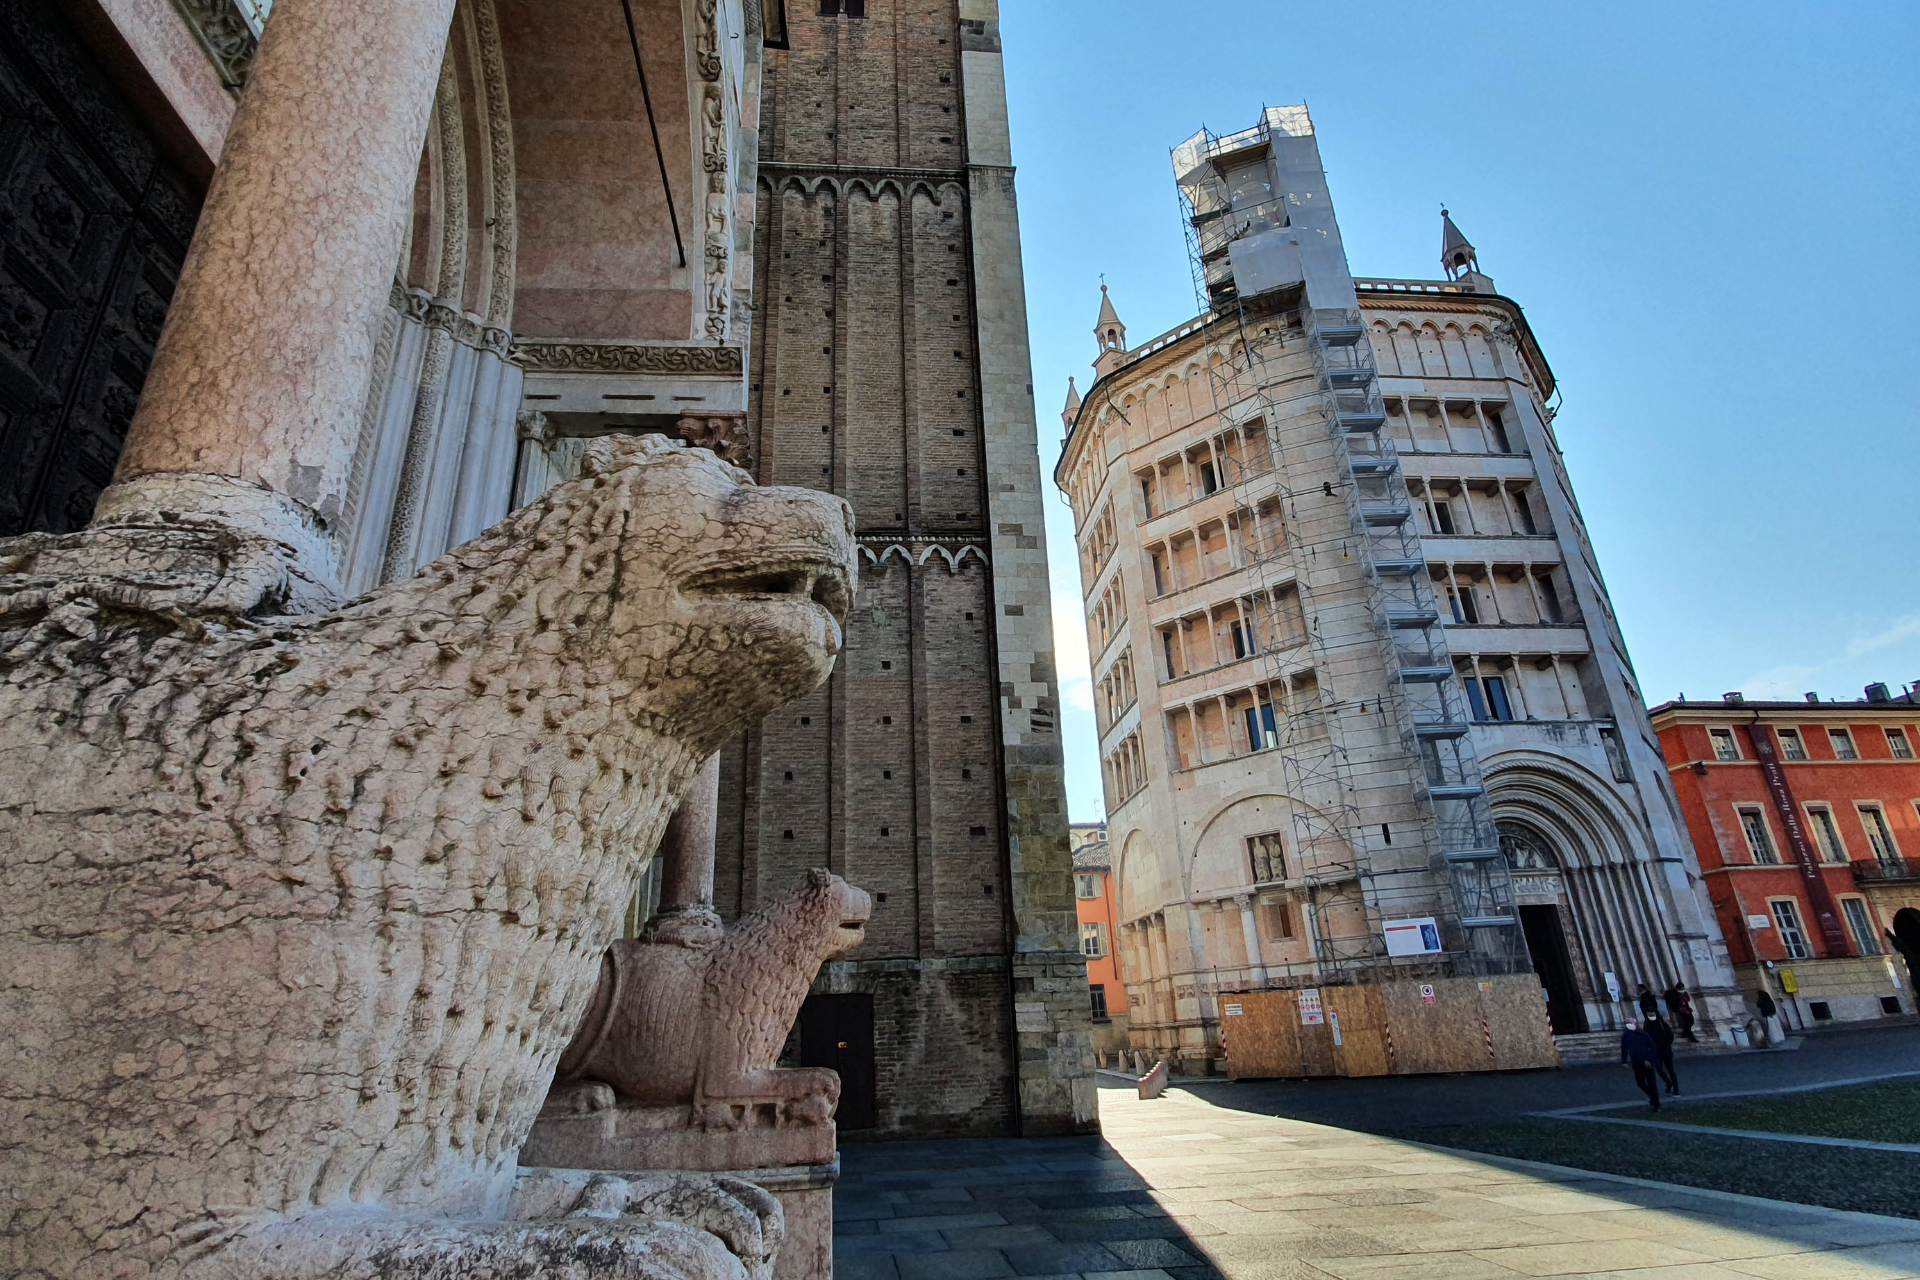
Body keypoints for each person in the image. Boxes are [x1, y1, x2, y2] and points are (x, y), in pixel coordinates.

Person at [1620, 1019, 1661, 1109]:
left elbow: (1652, 1047)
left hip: (1647, 1062)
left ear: (1635, 1023)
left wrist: (1649, 1059)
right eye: (1627, 1022)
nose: (1628, 1024)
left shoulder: (1643, 1034)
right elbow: (1624, 1048)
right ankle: (1653, 1097)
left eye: (1630, 1022)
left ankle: (1656, 1103)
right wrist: (1624, 1061)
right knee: (1640, 1082)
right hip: (1636, 1062)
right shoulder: (1626, 1035)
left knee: (1651, 1083)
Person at [1648, 1014, 1679, 1095]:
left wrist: (1665, 1044)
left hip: (1666, 1050)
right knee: (1658, 1068)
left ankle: (1676, 1088)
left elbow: (1670, 1036)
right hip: (1656, 1051)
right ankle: (1668, 1082)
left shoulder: (1663, 1024)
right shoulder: (1647, 1025)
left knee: (1670, 1070)